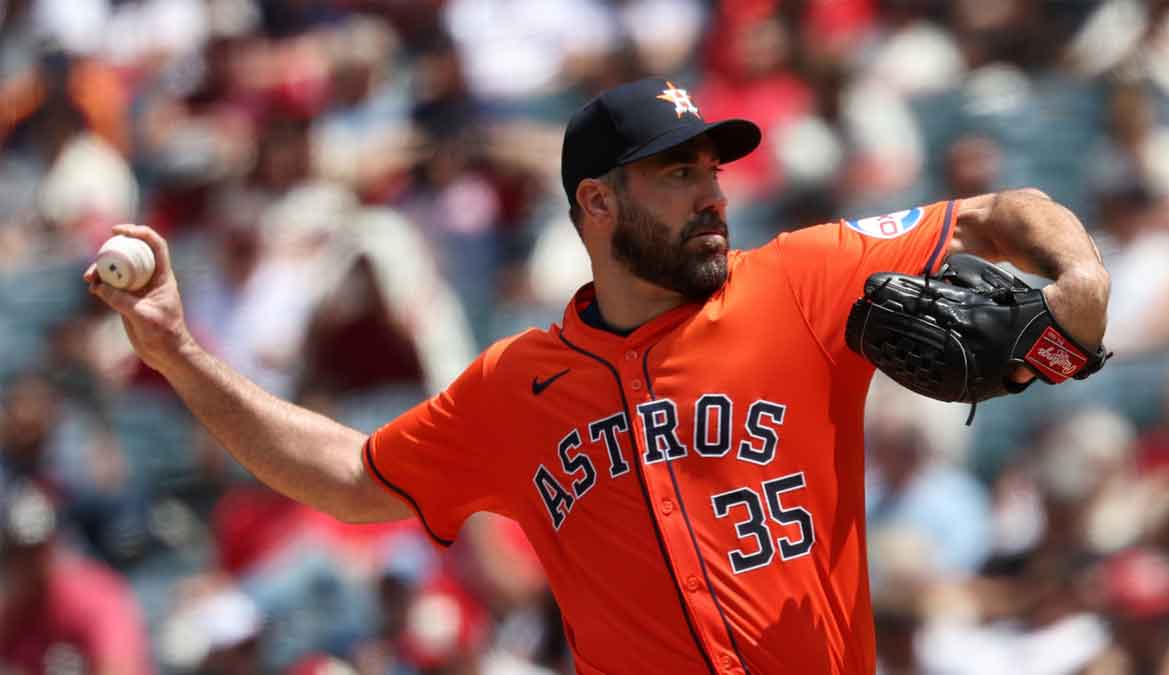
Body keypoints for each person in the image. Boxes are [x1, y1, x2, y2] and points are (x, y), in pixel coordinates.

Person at [85, 78, 1109, 674]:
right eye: (679, 172)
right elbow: (351, 476)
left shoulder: (802, 280)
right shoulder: (515, 386)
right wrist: (179, 353)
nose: (713, 192)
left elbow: (995, 214)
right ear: (599, 205)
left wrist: (1079, 290)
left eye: (714, 167)